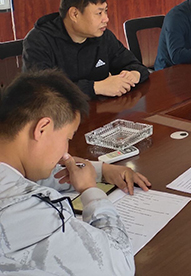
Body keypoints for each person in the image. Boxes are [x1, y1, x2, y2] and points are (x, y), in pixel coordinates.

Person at [0, 70, 151, 275]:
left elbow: (20, 177)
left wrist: (100, 170)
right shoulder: (26, 210)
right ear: (42, 128)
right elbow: (118, 265)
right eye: (67, 138)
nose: (66, 152)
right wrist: (91, 191)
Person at [22, 0, 149, 99]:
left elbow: (135, 65)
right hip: (59, 114)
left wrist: (134, 74)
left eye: (105, 11)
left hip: (100, 110)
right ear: (74, 14)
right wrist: (96, 87)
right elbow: (41, 91)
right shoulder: (39, 40)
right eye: (99, 13)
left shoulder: (103, 36)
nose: (106, 19)